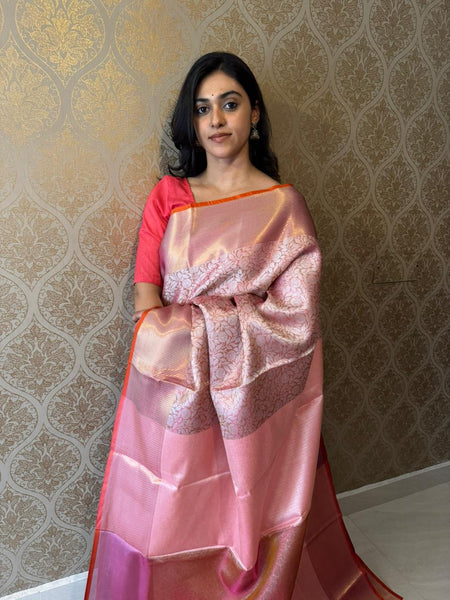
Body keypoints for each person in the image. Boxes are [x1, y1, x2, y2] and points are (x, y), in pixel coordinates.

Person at [85, 52, 401, 599]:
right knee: (173, 505)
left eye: (229, 104)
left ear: (254, 113)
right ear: (192, 122)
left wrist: (218, 330)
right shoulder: (169, 198)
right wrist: (204, 337)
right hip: (180, 390)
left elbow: (298, 315)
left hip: (257, 399)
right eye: (202, 108)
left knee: (250, 504)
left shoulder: (284, 206)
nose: (215, 120)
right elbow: (146, 305)